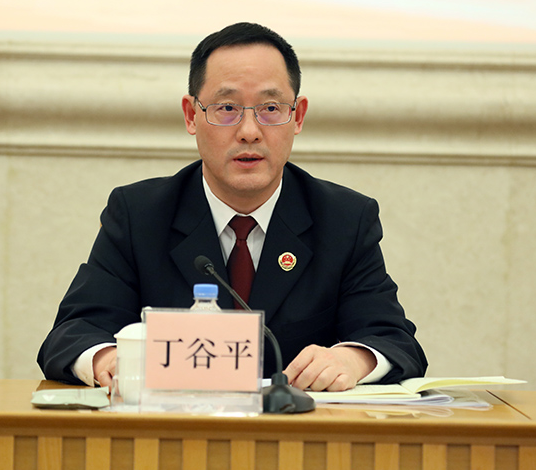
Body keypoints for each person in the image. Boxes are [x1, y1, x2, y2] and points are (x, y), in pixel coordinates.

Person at [37, 22, 426, 392]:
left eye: (270, 108)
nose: (249, 131)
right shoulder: (139, 215)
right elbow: (73, 333)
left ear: (298, 116)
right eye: (227, 108)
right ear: (191, 115)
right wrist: (110, 360)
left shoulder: (343, 220)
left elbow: (395, 342)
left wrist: (354, 359)